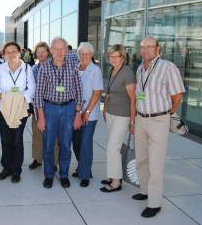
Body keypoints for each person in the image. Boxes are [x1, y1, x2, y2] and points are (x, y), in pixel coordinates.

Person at [132, 37, 185, 218]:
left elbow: (177, 95)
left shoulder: (168, 67)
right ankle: (144, 190)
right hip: (140, 119)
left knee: (155, 162)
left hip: (158, 120)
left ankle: (154, 203)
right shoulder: (140, 68)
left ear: (157, 49)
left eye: (149, 47)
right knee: (141, 158)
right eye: (142, 47)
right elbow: (141, 94)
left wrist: (166, 113)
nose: (145, 50)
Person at [34, 37, 83, 189]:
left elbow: (79, 91)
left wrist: (78, 114)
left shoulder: (74, 66)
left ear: (67, 50)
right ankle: (48, 175)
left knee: (66, 145)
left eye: (63, 48)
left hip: (69, 109)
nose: (60, 52)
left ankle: (63, 175)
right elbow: (38, 94)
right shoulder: (44, 67)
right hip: (50, 109)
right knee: (48, 144)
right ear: (51, 50)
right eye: (56, 48)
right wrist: (41, 117)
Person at [0, 42, 35, 183]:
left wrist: (18, 99)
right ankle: (6, 168)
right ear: (4, 54)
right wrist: (7, 98)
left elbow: (31, 89)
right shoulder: (0, 69)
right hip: (2, 109)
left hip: (20, 109)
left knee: (17, 140)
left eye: (13, 51)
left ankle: (16, 170)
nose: (11, 54)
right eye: (7, 52)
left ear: (19, 52)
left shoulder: (27, 68)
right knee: (5, 139)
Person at [100, 44, 136, 192]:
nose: (113, 59)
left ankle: (116, 183)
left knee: (112, 148)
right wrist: (105, 109)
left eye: (116, 56)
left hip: (123, 115)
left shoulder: (127, 72)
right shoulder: (111, 70)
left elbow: (134, 99)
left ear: (123, 57)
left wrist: (133, 121)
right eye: (110, 56)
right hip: (110, 114)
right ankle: (114, 175)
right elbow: (108, 93)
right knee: (116, 146)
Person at [72, 42, 103, 187]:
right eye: (81, 53)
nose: (84, 56)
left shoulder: (95, 70)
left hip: (89, 114)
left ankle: (85, 174)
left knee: (85, 143)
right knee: (76, 143)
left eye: (87, 53)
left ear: (91, 54)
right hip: (75, 112)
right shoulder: (75, 68)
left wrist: (87, 112)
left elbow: (97, 93)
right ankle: (81, 167)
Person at [29, 42, 59, 170]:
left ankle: (54, 161)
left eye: (43, 51)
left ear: (48, 52)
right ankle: (38, 158)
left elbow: (60, 87)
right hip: (37, 106)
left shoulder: (55, 67)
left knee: (54, 134)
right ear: (35, 54)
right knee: (37, 133)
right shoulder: (33, 69)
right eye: (38, 52)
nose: (41, 54)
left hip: (52, 105)